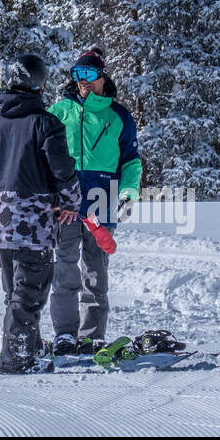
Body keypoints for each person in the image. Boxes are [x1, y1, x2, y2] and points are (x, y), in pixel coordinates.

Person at [0, 54, 81, 374]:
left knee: (14, 285)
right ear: (38, 83)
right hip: (32, 210)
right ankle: (18, 357)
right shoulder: (46, 123)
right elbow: (62, 171)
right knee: (32, 284)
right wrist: (71, 202)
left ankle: (29, 345)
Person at [46, 47, 143, 354]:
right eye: (78, 75)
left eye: (88, 74)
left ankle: (92, 336)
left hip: (102, 201)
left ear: (102, 77)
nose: (83, 81)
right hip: (65, 203)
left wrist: (129, 193)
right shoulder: (59, 112)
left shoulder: (119, 115)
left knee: (96, 271)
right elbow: (41, 156)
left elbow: (131, 161)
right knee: (64, 269)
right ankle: (64, 335)